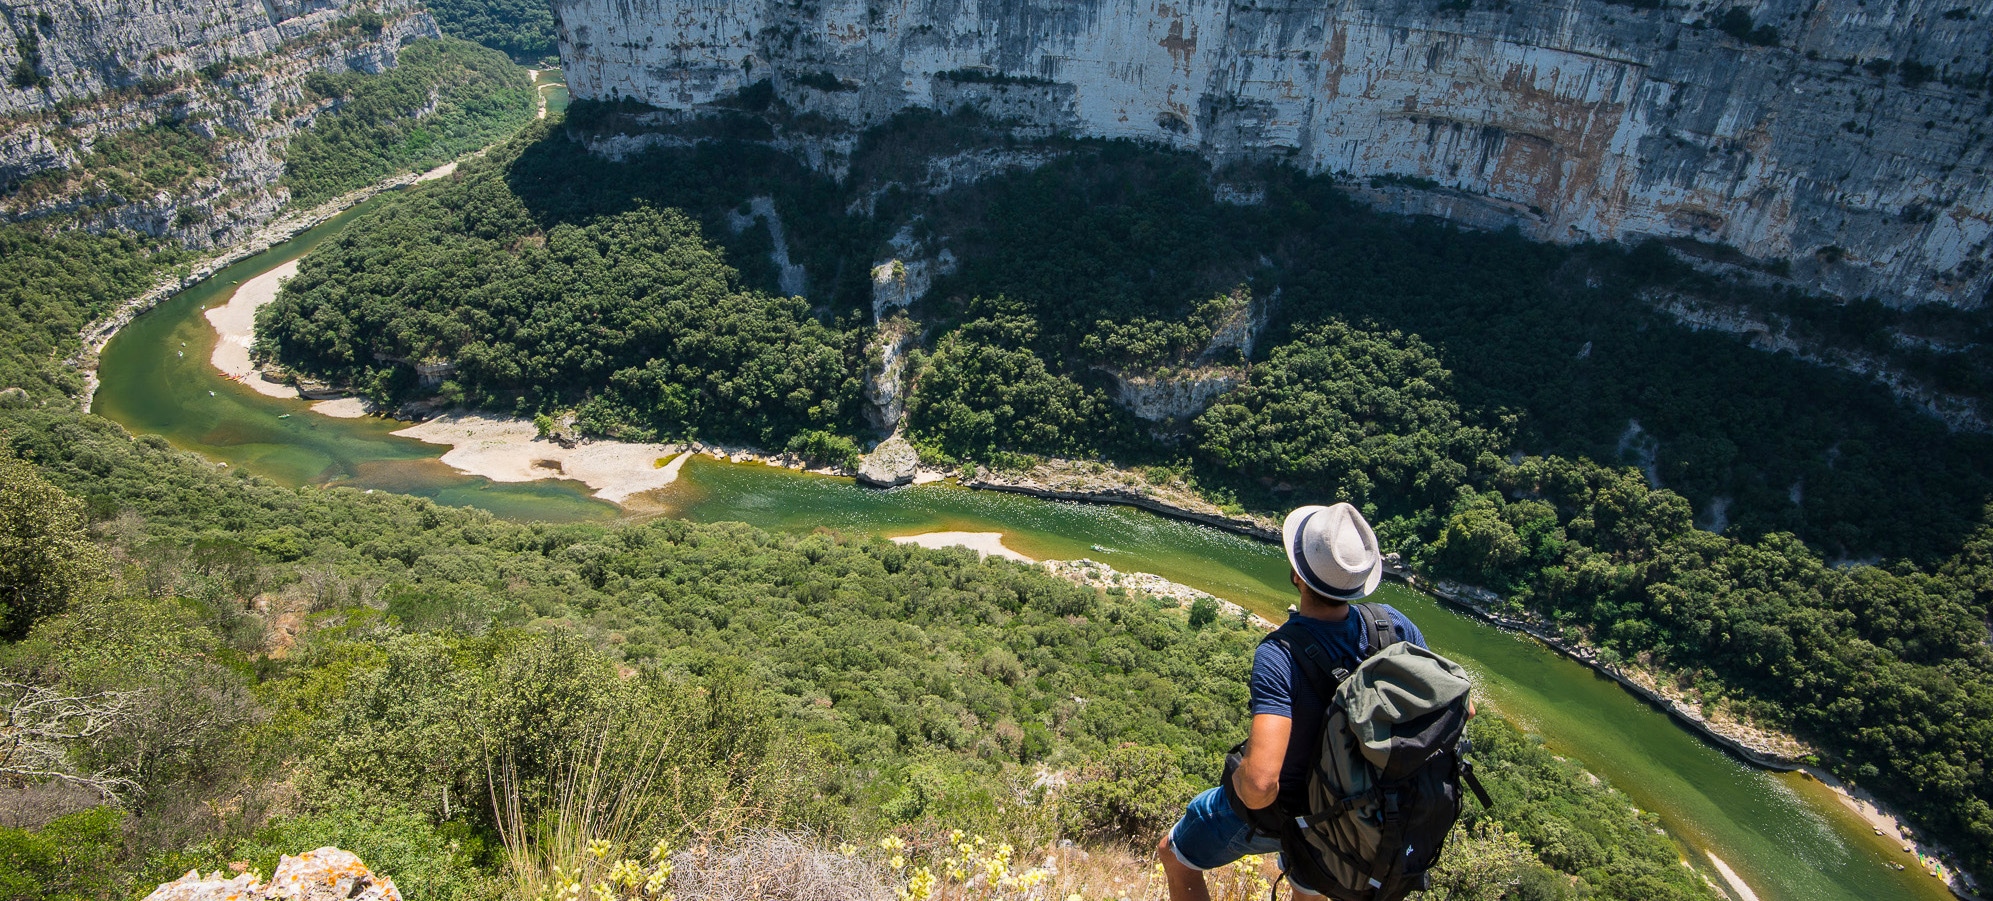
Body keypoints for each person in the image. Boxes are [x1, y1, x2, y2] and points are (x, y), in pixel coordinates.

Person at [1156, 502, 1455, 900]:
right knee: (1310, 890)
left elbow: (1260, 786)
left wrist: (1238, 773)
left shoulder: (1279, 654)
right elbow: (1458, 707)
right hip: (1353, 816)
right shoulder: (1393, 625)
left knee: (1175, 854)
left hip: (1286, 814)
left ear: (1297, 574)